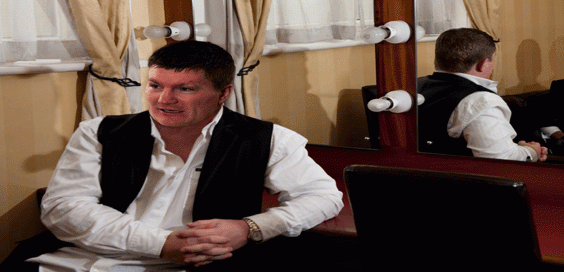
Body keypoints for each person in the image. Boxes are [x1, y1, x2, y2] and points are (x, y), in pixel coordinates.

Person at [6, 40, 344, 271]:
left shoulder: (267, 139)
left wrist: (251, 227)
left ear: (223, 93)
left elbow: (323, 196)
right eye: (155, 85)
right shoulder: (99, 131)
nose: (164, 99)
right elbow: (63, 208)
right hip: (71, 262)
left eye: (184, 88)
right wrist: (161, 243)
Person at [418, 28, 548, 162]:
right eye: (492, 60)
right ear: (483, 64)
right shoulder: (480, 101)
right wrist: (532, 151)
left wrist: (518, 148)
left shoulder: (415, 86)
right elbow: (501, 160)